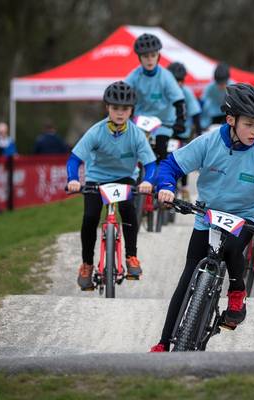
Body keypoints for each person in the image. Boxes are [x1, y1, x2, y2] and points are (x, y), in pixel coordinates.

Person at [149, 83, 254, 352]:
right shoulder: (209, 142)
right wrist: (165, 187)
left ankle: (236, 292)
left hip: (243, 218)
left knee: (232, 248)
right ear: (231, 120)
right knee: (186, 279)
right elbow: (171, 165)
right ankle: (163, 342)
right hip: (207, 217)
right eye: (248, 124)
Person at [66, 81, 157, 289]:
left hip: (124, 178)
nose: (119, 113)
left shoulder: (136, 135)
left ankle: (131, 257)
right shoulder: (96, 132)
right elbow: (74, 159)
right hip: (96, 179)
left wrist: (147, 181)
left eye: (124, 109)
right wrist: (73, 179)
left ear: (131, 110)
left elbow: (150, 164)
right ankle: (87, 264)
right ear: (107, 107)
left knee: (128, 210)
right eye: (115, 108)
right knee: (90, 217)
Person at [125, 33, 186, 163]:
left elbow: (179, 101)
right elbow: (123, 96)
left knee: (161, 148)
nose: (150, 59)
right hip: (141, 121)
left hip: (163, 122)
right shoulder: (134, 76)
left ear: (158, 56)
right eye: (145, 56)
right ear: (139, 58)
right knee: (133, 149)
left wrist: (180, 121)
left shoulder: (166, 76)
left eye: (153, 55)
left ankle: (162, 178)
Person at [167, 61, 202, 200]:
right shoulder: (164, 91)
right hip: (165, 129)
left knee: (182, 157)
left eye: (181, 81)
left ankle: (185, 185)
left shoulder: (186, 92)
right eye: (175, 81)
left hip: (182, 132)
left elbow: (196, 113)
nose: (178, 84)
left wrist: (198, 132)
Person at [200, 62, 231, 128]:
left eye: (223, 83)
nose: (221, 86)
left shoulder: (233, 86)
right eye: (219, 83)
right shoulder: (210, 87)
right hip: (213, 114)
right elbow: (202, 101)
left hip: (228, 113)